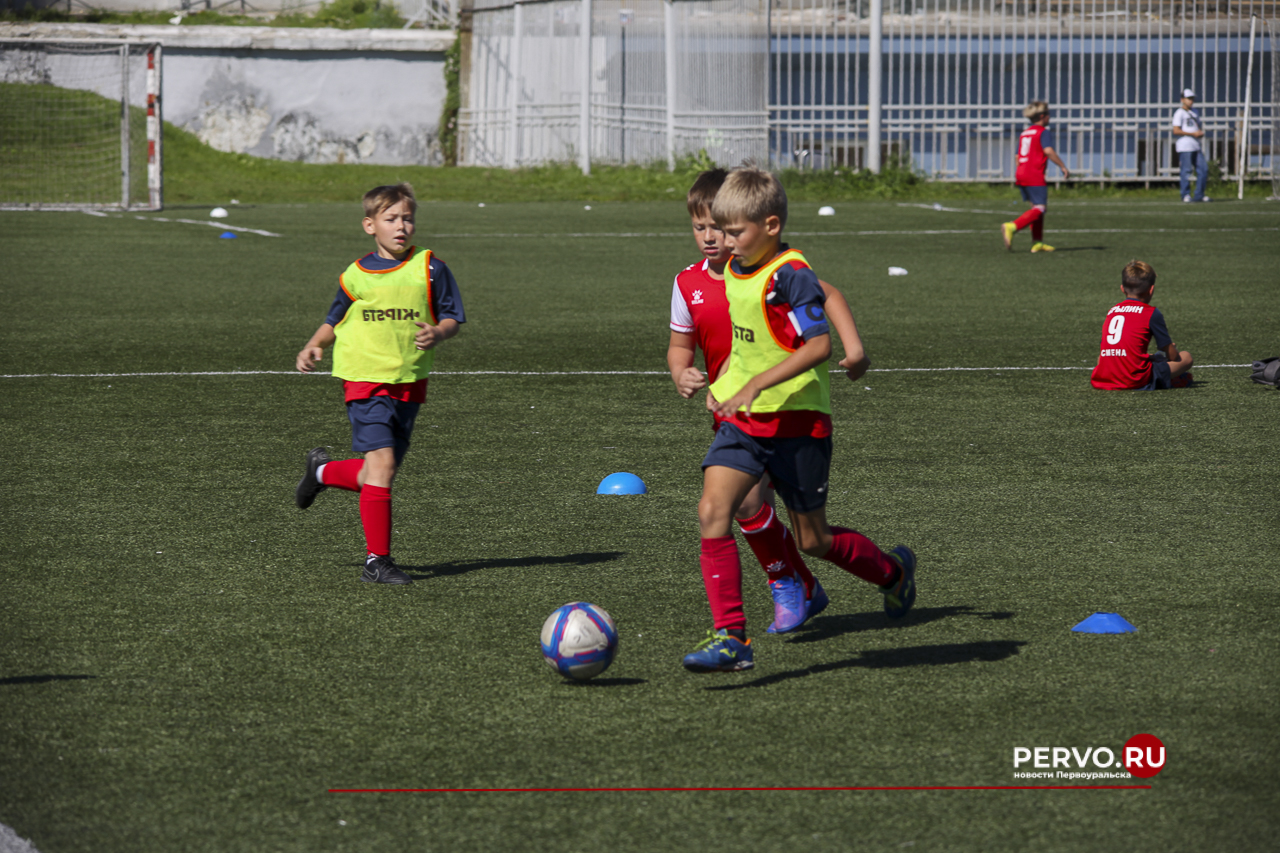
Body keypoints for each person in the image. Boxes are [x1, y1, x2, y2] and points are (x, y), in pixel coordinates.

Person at [681, 166, 916, 673]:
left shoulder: (789, 273)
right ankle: (730, 638)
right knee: (712, 512)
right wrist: (724, 387)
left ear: (769, 225)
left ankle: (894, 574)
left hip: (799, 424)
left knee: (814, 540)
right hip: (743, 422)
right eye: (718, 230)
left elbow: (818, 344)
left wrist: (847, 352)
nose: (723, 241)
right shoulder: (738, 266)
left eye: (734, 232)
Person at [293, 183, 465, 584]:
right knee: (383, 469)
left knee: (377, 472)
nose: (401, 226)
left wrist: (439, 333)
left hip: (408, 382)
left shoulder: (431, 268)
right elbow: (334, 318)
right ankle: (377, 561)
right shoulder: (355, 274)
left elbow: (453, 317)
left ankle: (320, 473)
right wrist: (315, 343)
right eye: (391, 219)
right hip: (364, 381)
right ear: (370, 225)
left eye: (407, 218)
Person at [1090, 260, 1193, 391]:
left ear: (1122, 289)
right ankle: (1169, 379)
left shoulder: (1112, 311)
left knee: (1152, 357)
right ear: (1151, 289)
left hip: (1103, 378)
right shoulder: (1150, 313)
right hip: (1134, 380)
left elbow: (1102, 354)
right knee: (1186, 357)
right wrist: (1172, 349)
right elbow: (1173, 356)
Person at [1003, 100, 1070, 254]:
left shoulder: (1025, 133)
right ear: (1042, 116)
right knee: (1040, 208)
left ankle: (1037, 242)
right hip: (1034, 174)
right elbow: (1048, 151)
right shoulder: (1042, 132)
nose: (1049, 118)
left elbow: (1017, 156)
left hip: (1022, 172)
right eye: (1048, 115)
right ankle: (1012, 226)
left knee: (1036, 207)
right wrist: (1062, 166)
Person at [1172, 88, 1209, 203]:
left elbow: (1196, 126)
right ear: (1182, 99)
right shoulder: (1179, 113)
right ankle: (1185, 194)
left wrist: (1199, 133)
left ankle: (1199, 194)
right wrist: (1193, 133)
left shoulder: (1195, 112)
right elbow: (1176, 130)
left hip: (1196, 146)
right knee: (1186, 171)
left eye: (1192, 98)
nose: (1191, 101)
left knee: (1203, 169)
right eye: (1188, 98)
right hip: (1185, 146)